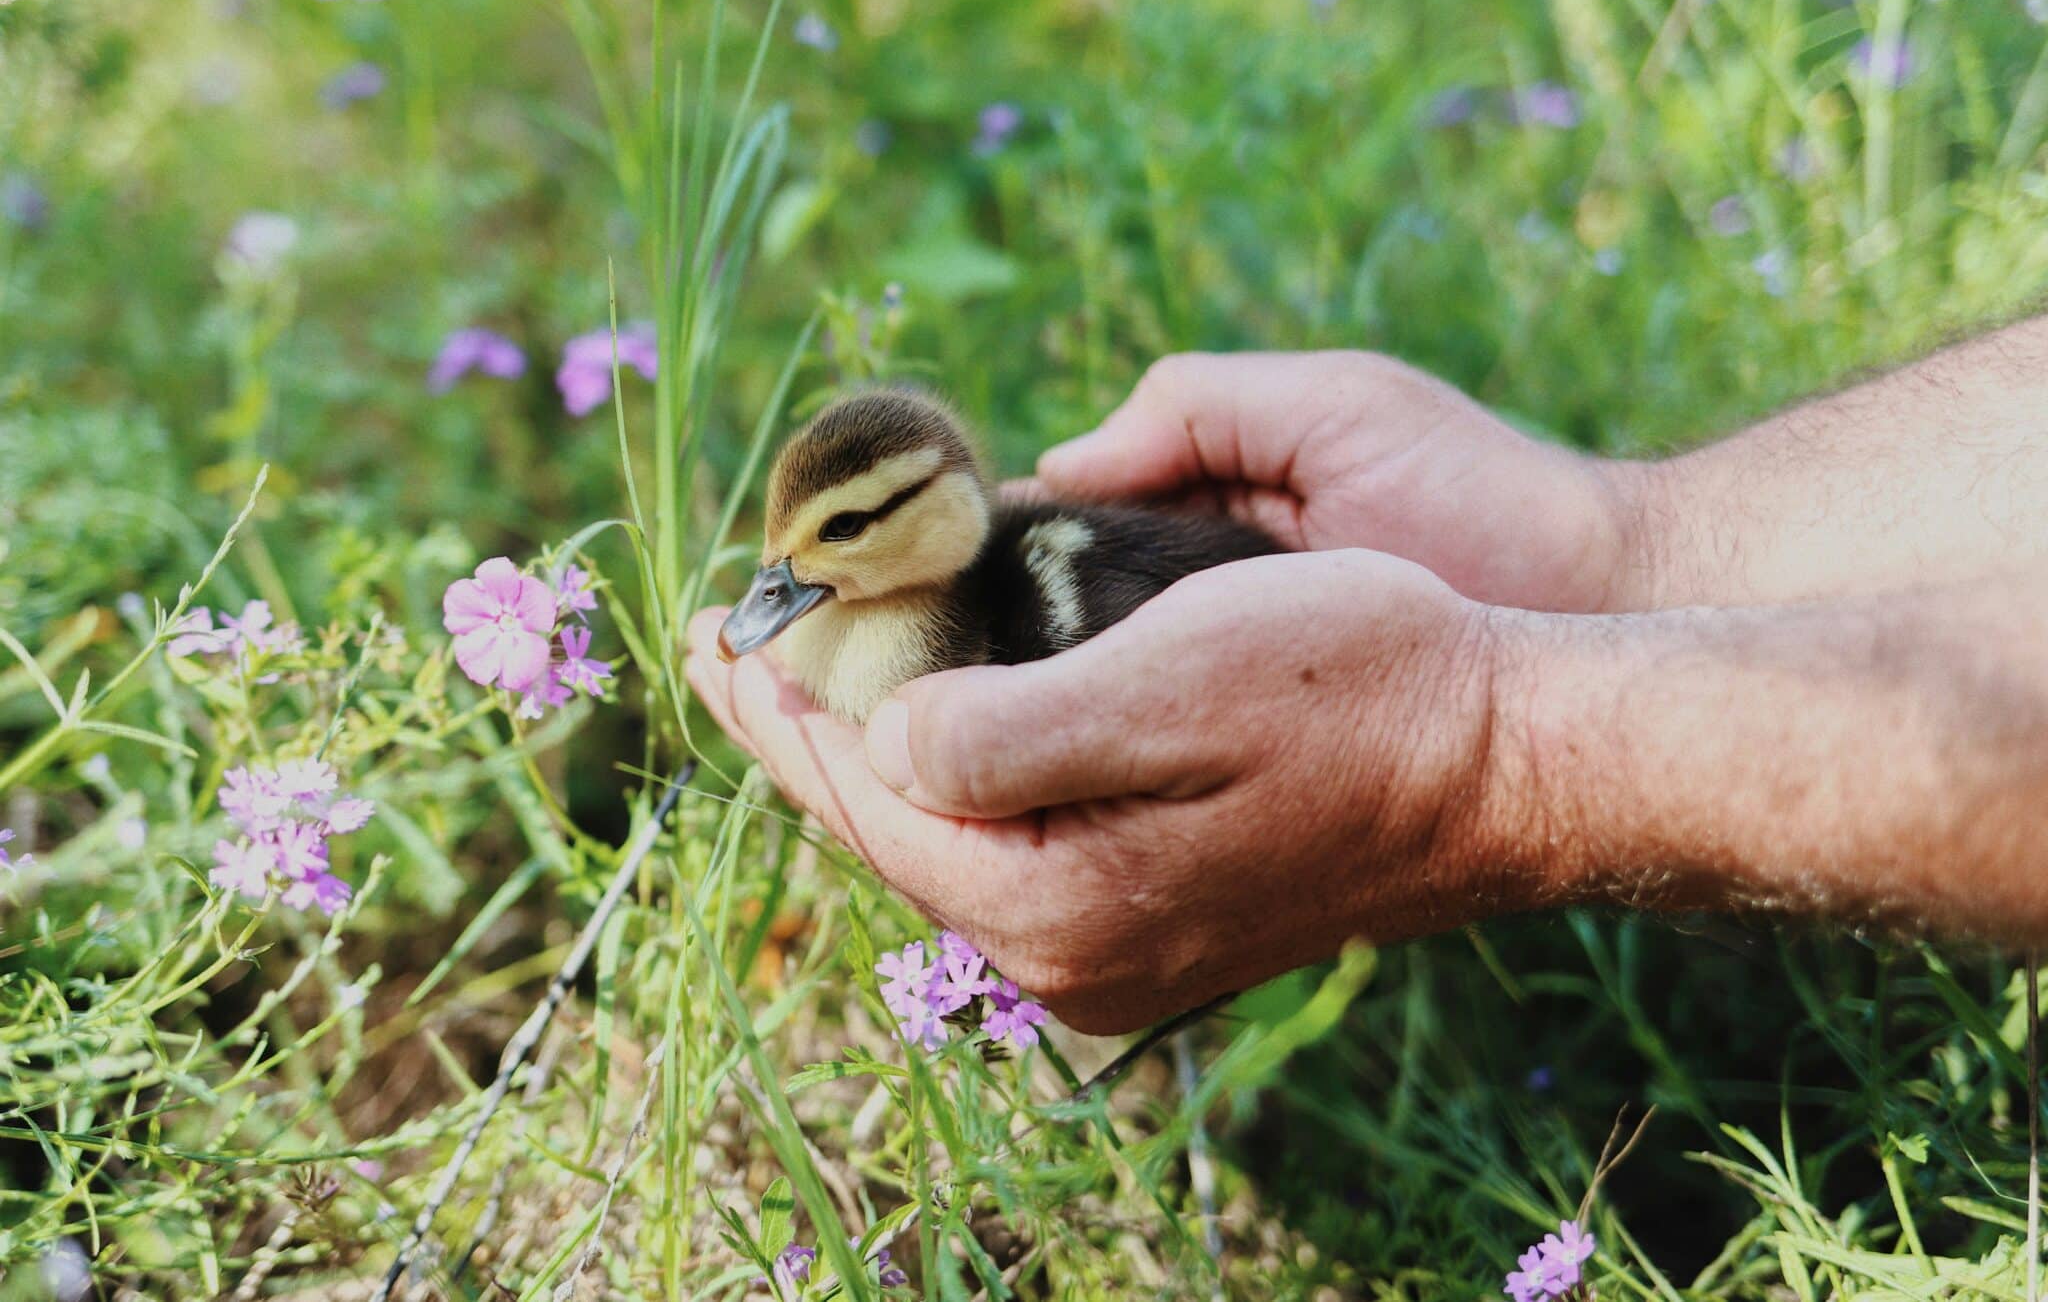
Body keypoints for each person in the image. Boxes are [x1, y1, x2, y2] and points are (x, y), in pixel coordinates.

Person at [685, 318, 2048, 1036]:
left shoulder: (1006, 600)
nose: (783, 584)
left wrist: (1474, 750)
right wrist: (1623, 550)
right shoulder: (959, 586)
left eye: (842, 537)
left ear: (939, 508)